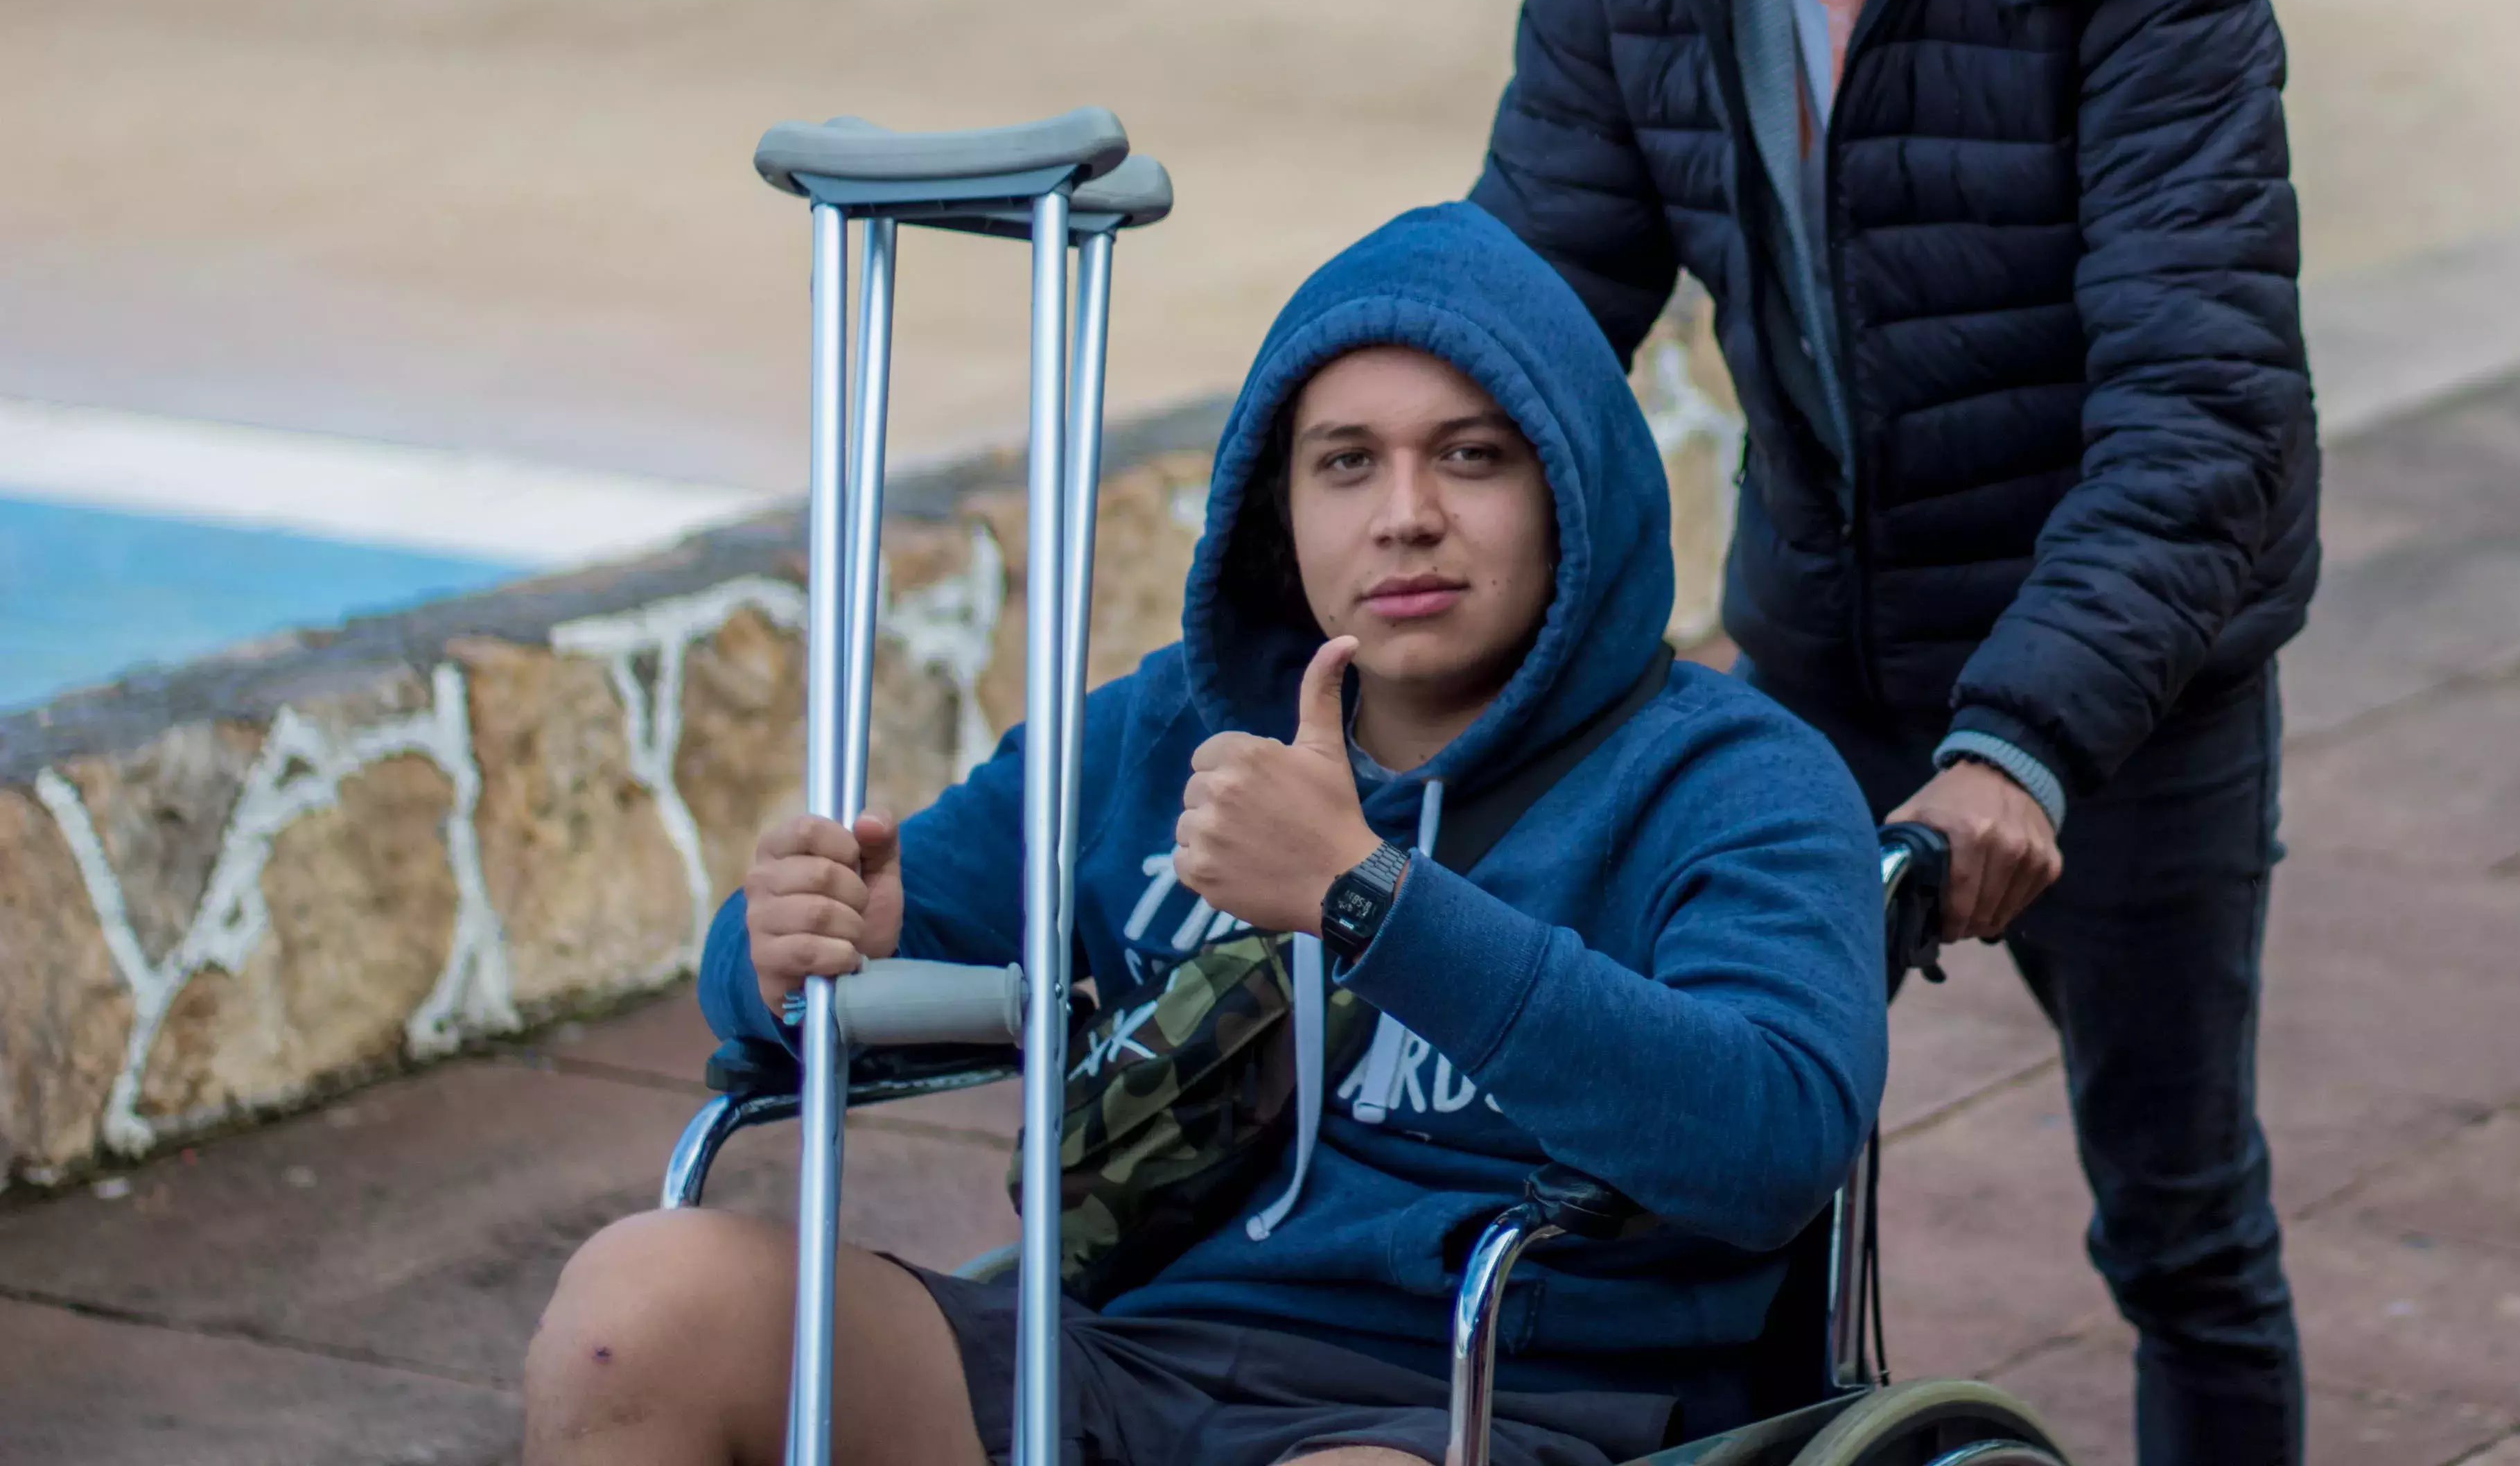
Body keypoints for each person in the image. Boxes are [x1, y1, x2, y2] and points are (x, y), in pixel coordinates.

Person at [1474, 0, 2316, 1466]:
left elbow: (2201, 393)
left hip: (2119, 676)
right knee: (1724, 1184)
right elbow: (1533, 307)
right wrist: (1371, 558)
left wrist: (2027, 737)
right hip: (1829, 644)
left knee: (2181, 1218)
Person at [523, 203, 1889, 1466]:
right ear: (1276, 515)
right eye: (1346, 465)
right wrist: (780, 950)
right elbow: (793, 995)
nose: (1407, 513)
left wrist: (1371, 903)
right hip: (1129, 1356)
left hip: (1502, 1400)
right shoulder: (1163, 736)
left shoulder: (1733, 780)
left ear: (1571, 490)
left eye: (1472, 456)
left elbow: (1772, 1136)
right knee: (638, 1307)